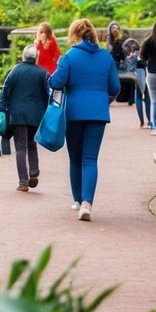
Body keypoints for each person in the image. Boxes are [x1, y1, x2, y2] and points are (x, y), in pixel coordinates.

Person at [48, 18, 120, 221]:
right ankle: (87, 203)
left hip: (73, 113)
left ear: (75, 34)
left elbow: (57, 82)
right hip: (98, 114)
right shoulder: (106, 58)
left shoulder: (70, 57)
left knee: (75, 159)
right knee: (90, 159)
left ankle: (78, 200)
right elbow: (115, 88)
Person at [0, 45, 50, 192]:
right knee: (32, 143)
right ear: (36, 57)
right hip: (36, 115)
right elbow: (48, 93)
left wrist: (2, 109)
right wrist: (46, 110)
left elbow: (5, 91)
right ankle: (34, 170)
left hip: (18, 114)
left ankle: (23, 182)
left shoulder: (14, 71)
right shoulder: (43, 73)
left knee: (21, 147)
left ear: (23, 56)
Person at [122, 37, 151, 128]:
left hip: (135, 74)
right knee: (147, 98)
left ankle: (141, 122)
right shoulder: (144, 53)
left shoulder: (130, 55)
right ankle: (149, 121)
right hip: (144, 73)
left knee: (138, 96)